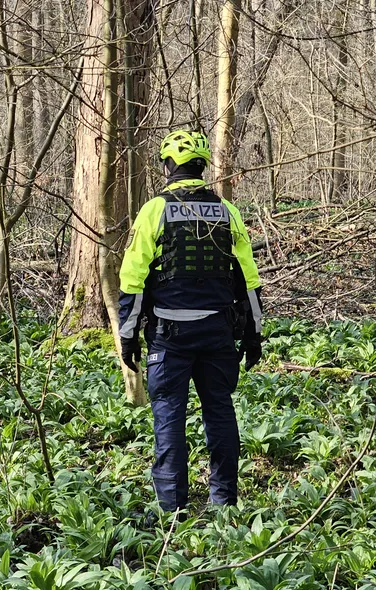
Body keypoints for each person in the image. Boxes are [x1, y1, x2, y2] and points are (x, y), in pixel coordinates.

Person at [116, 129, 264, 516]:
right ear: (202, 166)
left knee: (169, 418)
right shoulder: (227, 210)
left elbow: (132, 279)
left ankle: (172, 509)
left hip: (169, 337)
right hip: (218, 334)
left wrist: (127, 336)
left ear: (168, 165)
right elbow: (249, 279)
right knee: (220, 412)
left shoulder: (154, 210)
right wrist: (254, 335)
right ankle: (224, 503)